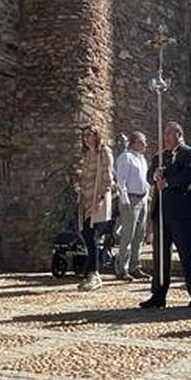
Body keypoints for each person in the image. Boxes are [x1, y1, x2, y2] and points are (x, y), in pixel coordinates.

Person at [140, 122, 191, 308]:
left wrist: (168, 182)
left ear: (179, 134)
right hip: (161, 212)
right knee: (160, 256)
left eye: (169, 133)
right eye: (164, 134)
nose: (166, 137)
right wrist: (155, 175)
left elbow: (190, 174)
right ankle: (158, 295)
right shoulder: (159, 157)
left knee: (187, 254)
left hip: (182, 212)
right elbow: (149, 176)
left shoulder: (190, 153)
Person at [73, 124, 113, 292]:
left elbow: (107, 177)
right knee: (86, 235)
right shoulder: (87, 154)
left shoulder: (103, 152)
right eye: (85, 135)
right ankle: (90, 272)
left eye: (91, 135)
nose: (87, 138)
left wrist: (102, 198)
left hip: (97, 200)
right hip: (86, 199)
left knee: (92, 235)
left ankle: (94, 274)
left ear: (97, 136)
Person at [113, 132, 150, 282]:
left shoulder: (141, 159)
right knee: (128, 234)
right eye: (142, 142)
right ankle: (122, 268)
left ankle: (135, 266)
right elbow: (121, 180)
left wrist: (147, 194)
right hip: (131, 199)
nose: (145, 145)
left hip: (142, 199)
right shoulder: (126, 157)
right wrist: (124, 198)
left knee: (139, 235)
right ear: (134, 142)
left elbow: (144, 179)